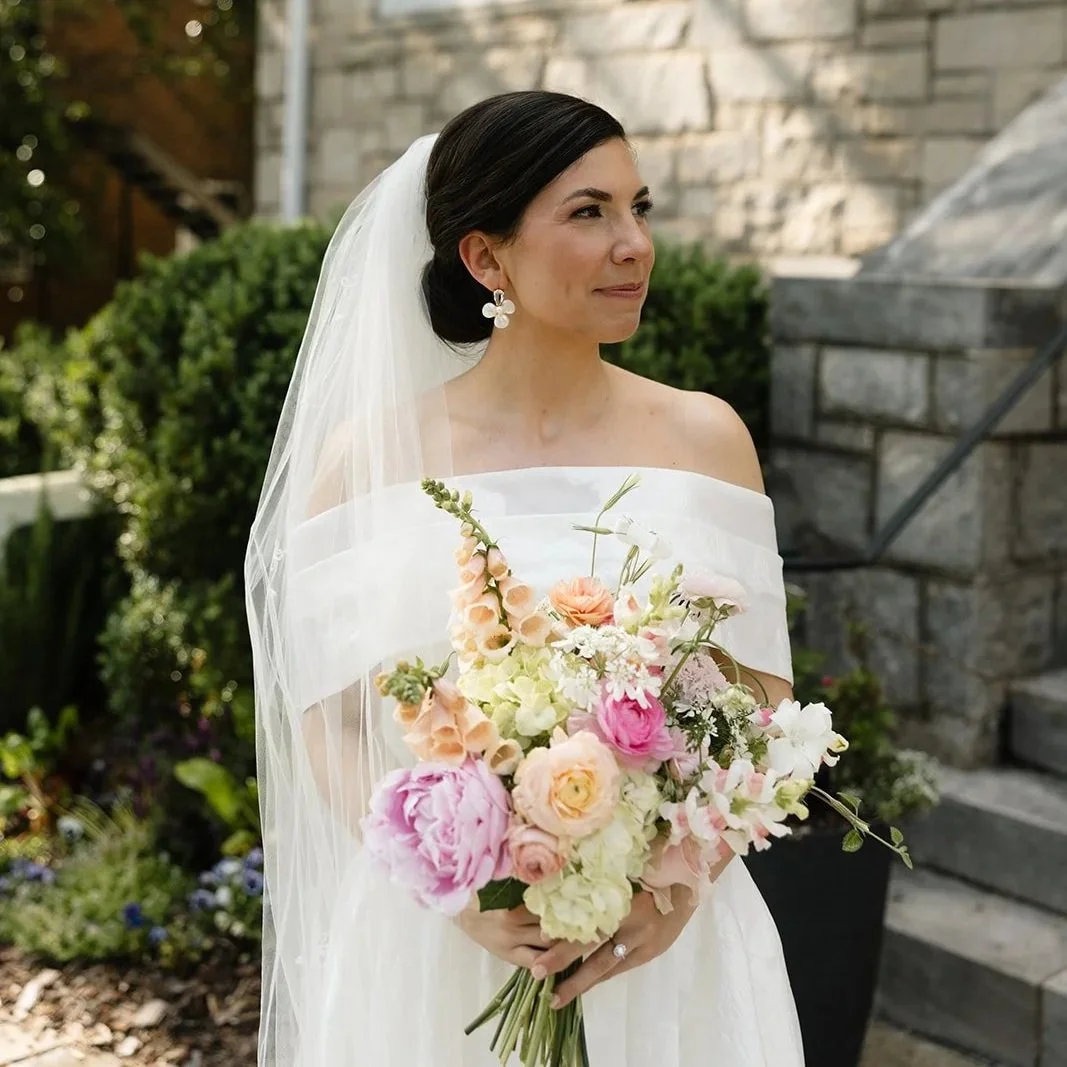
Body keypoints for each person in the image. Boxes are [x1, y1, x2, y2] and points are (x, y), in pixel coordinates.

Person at [245, 90, 804, 1066]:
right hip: (437, 949)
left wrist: (680, 882)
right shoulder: (367, 456)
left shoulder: (704, 438)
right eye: (588, 212)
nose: (633, 243)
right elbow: (327, 717)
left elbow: (762, 695)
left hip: (662, 950)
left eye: (639, 207)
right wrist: (452, 886)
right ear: (485, 257)